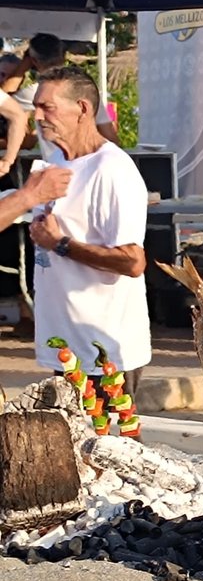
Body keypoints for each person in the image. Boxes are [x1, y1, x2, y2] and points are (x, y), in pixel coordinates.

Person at [23, 67, 150, 392]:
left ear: (82, 108)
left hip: (104, 352)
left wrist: (60, 243)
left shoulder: (112, 169)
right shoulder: (56, 160)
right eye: (36, 107)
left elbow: (133, 261)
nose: (37, 116)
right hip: (65, 347)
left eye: (47, 107)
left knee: (108, 429)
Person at [2, 34, 119, 156]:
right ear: (63, 56)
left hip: (58, 163)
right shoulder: (86, 89)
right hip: (89, 161)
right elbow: (110, 138)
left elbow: (3, 98)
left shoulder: (36, 92)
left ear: (34, 61)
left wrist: (23, 67)